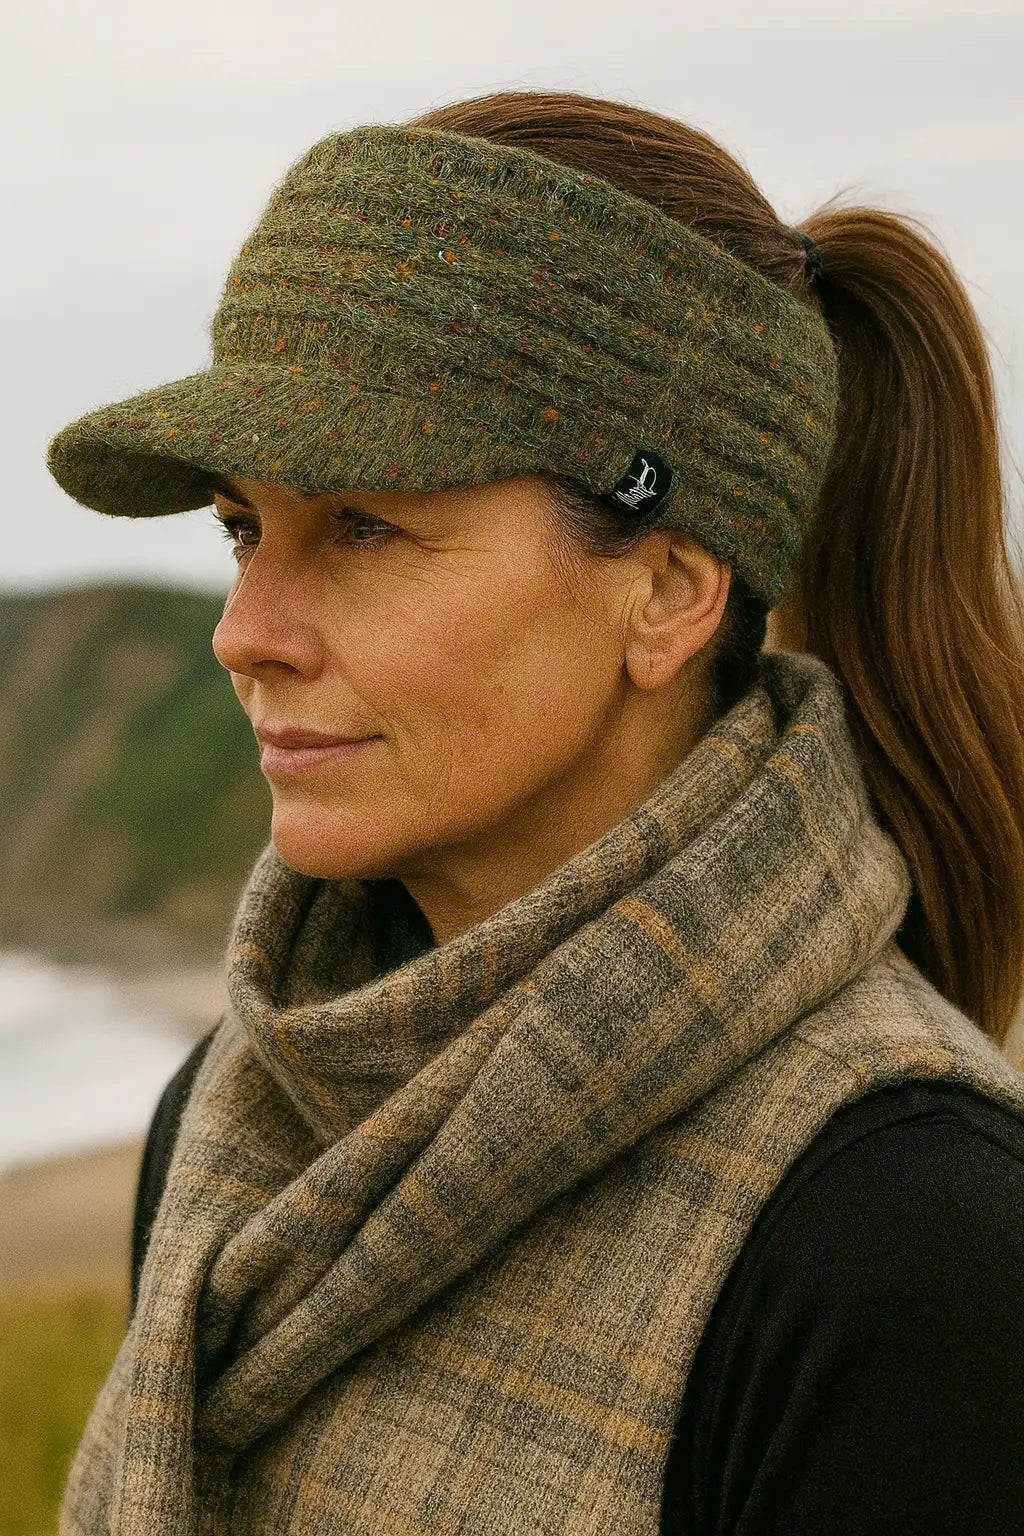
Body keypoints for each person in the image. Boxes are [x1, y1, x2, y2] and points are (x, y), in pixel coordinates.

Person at [45, 90, 1024, 1536]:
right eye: (244, 528)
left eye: (365, 525)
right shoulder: (234, 1111)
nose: (244, 633)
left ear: (669, 591)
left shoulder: (910, 1241)